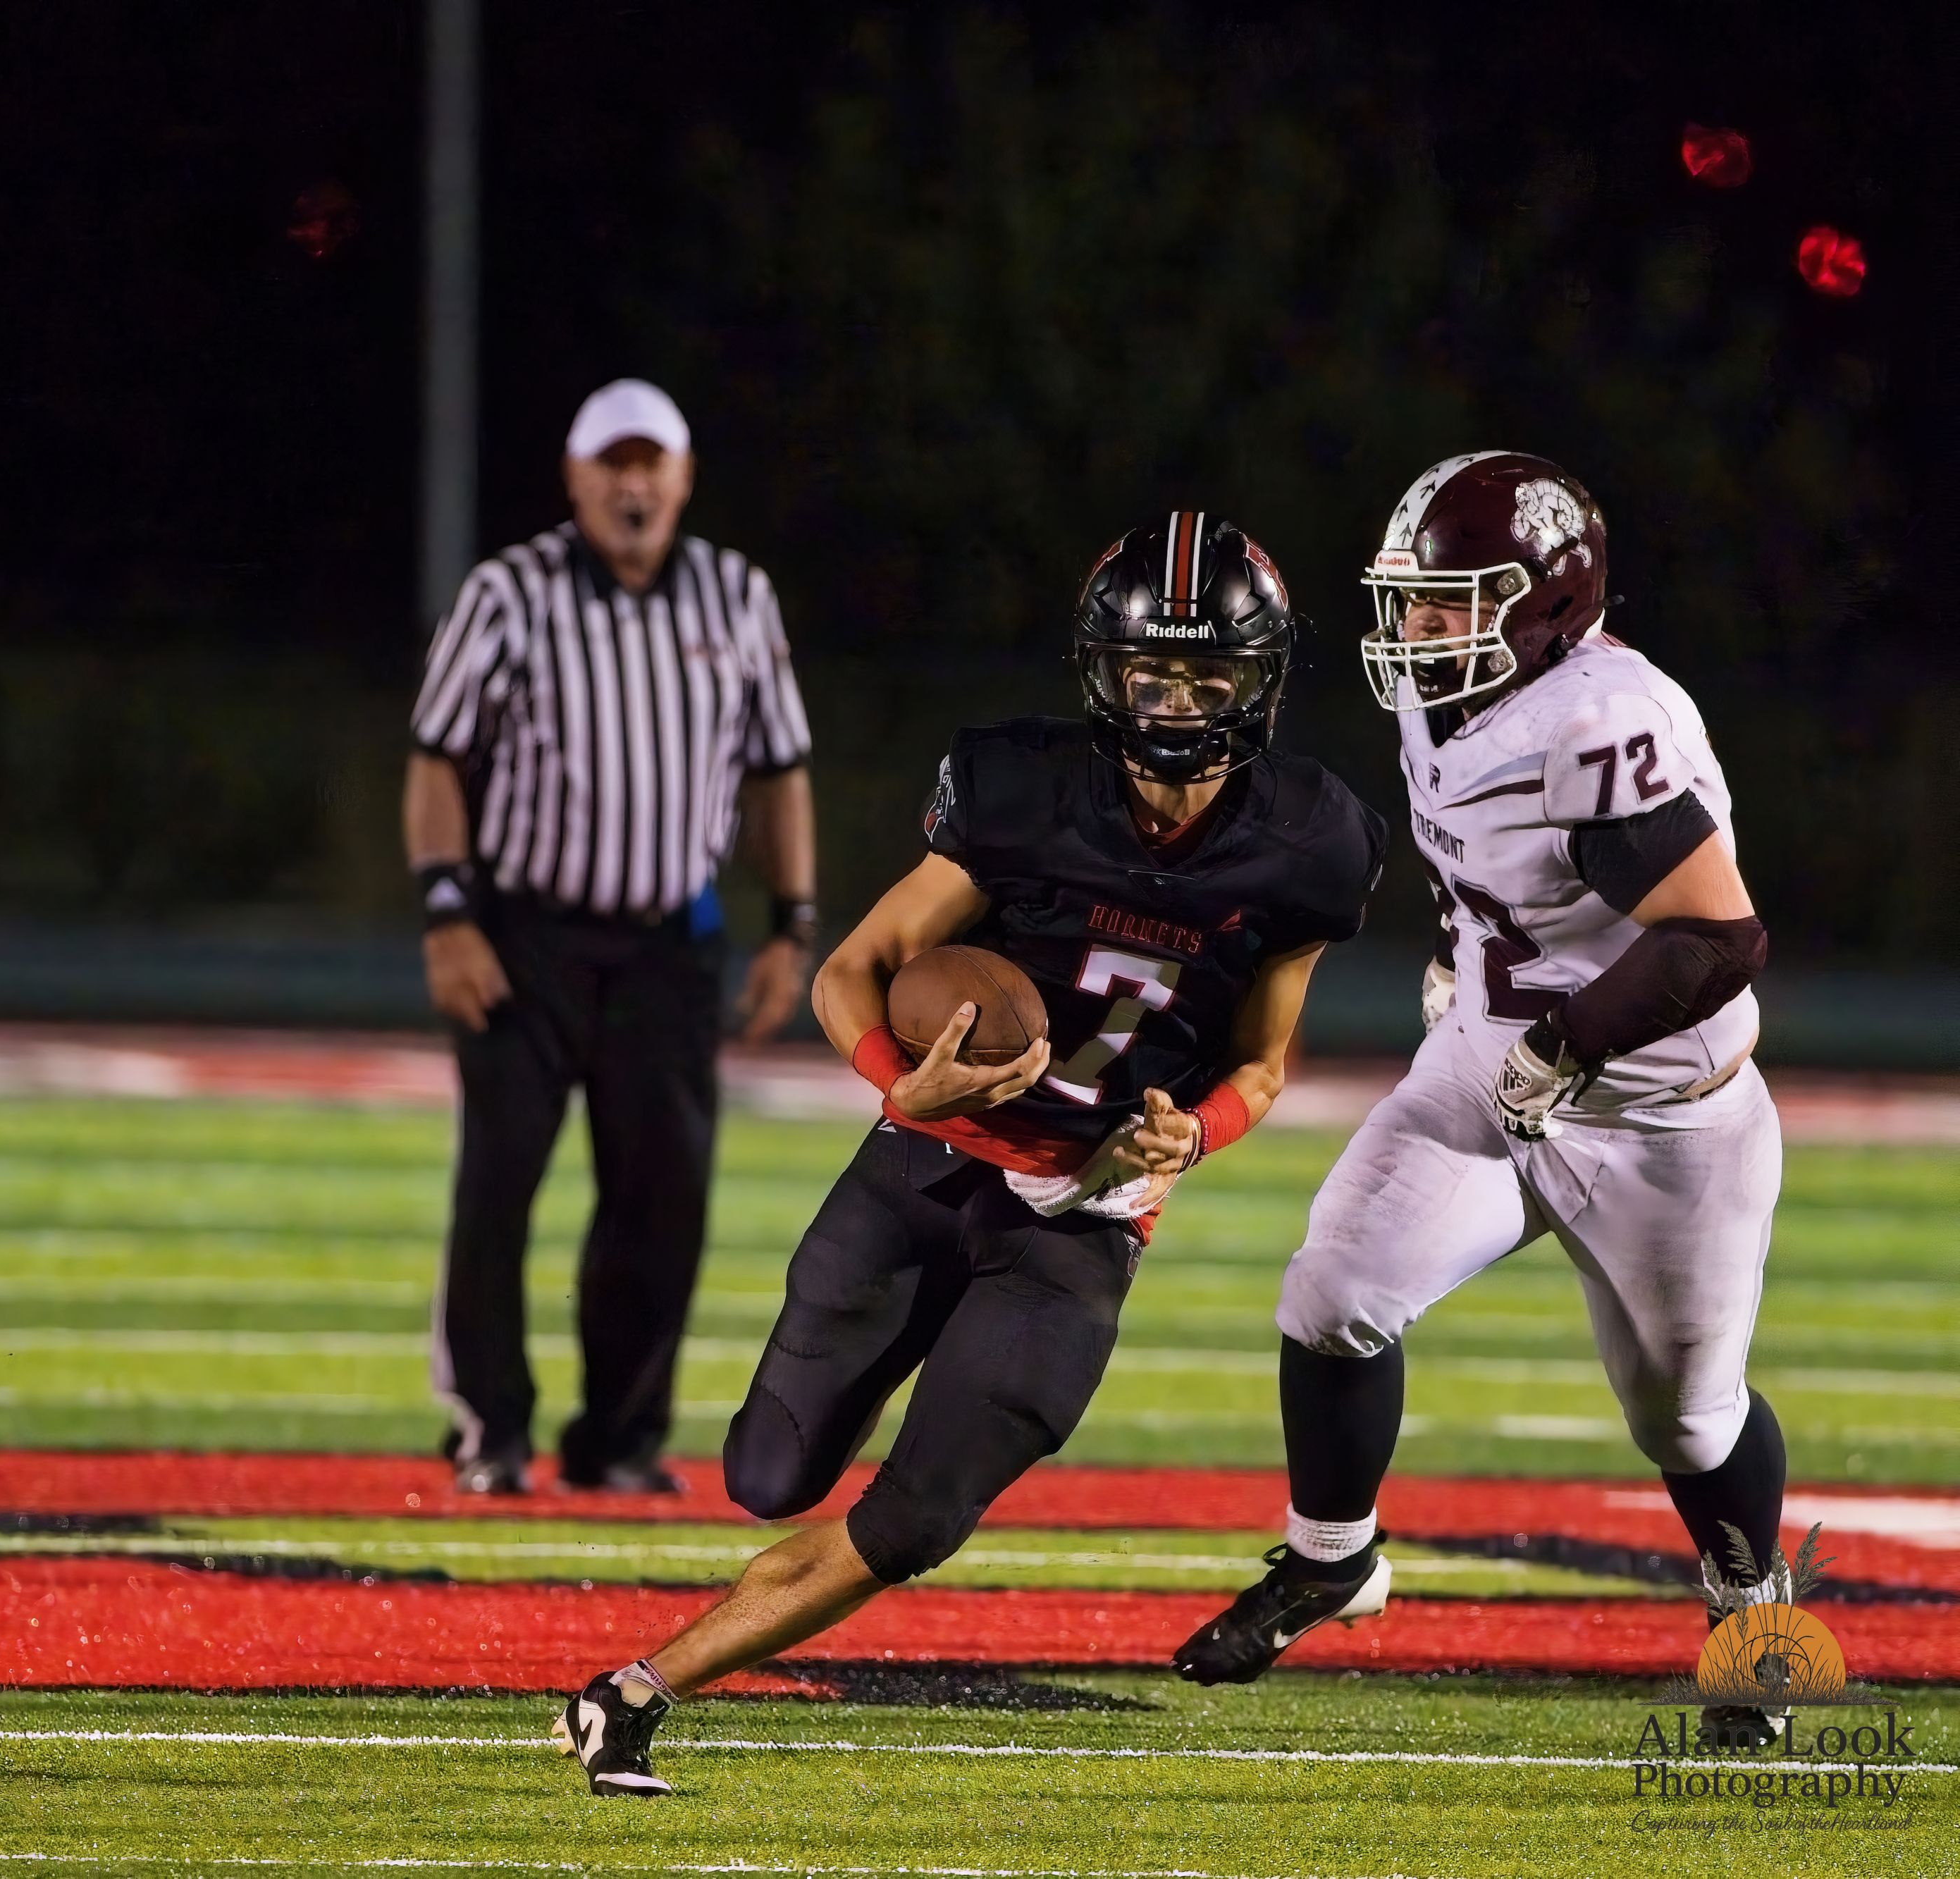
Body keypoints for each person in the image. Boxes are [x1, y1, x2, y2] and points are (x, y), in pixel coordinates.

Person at [555, 515, 1386, 1796]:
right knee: (767, 1473)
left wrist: (1197, 1129)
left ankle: (638, 1688)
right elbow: (853, 972)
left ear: (1260, 681)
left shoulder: (1311, 842)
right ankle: (722, 1586)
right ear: (1101, 670)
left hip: (1083, 1215)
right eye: (1150, 673)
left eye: (1207, 678)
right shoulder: (1020, 792)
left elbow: (1263, 1064)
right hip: (925, 1166)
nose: (1174, 704)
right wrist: (906, 1080)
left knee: (920, 1516)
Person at [1171, 455, 1786, 1749]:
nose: (1418, 631)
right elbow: (1502, 869)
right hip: (1491, 1057)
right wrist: (1474, 963)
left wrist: (1567, 1039)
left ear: (1548, 601)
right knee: (1334, 1292)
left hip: (1660, 1107)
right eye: (1414, 601)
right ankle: (1332, 1556)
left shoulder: (1604, 718)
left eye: (1450, 603)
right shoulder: (1450, 704)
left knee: (1685, 1414)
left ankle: (1751, 1610)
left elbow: (1717, 940)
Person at [407, 379, 817, 1496]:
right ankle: (488, 1425)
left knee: (661, 1196)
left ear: (683, 475)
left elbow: (780, 769)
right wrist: (447, 914)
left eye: (653, 463)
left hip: (669, 947)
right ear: (576, 476)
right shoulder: (510, 592)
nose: (633, 484)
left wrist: (793, 924)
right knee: (499, 1185)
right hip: (526, 936)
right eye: (613, 463)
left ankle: (621, 1439)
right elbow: (437, 755)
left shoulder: (737, 595)